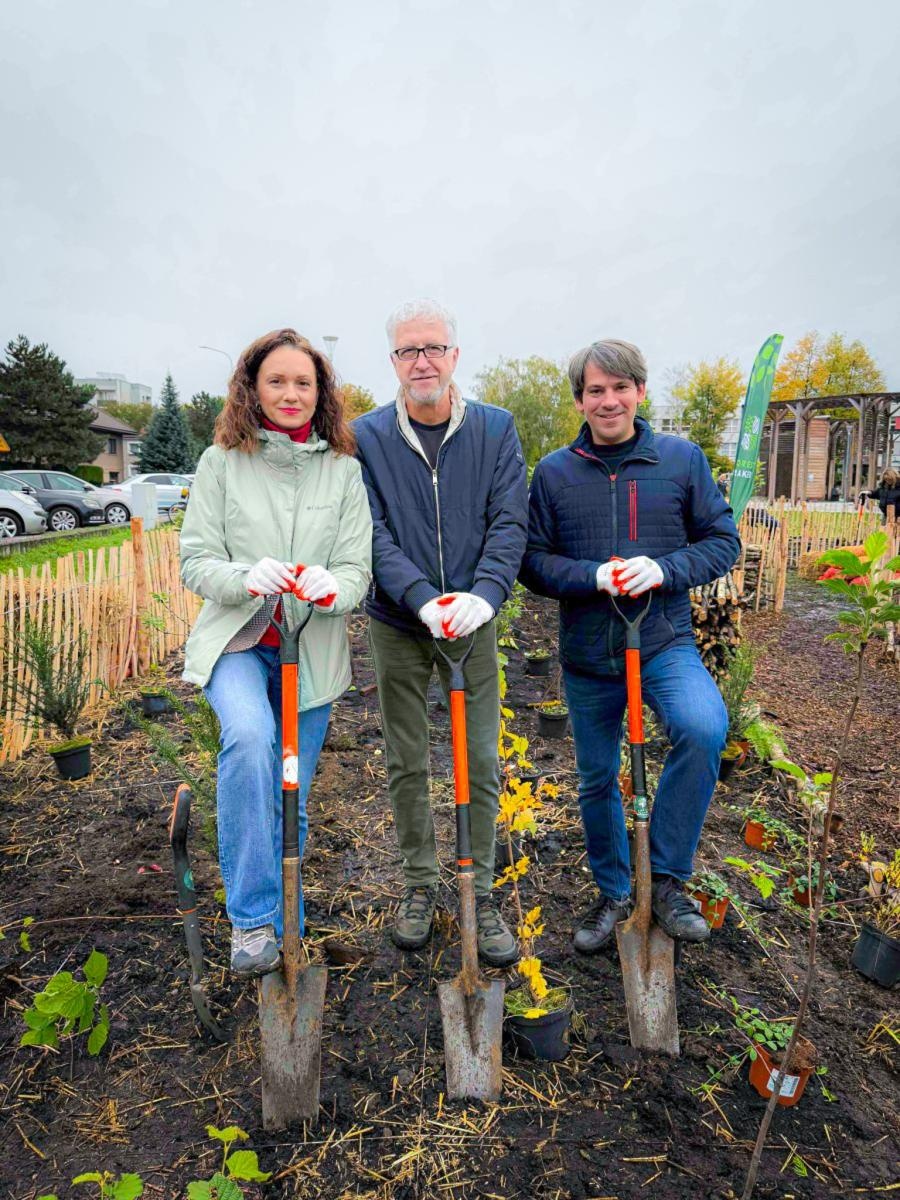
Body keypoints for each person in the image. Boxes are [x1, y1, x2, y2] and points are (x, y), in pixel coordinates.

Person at [520, 338, 740, 953]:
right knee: (596, 776)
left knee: (702, 727)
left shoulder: (680, 460)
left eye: (620, 388)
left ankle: (665, 880)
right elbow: (533, 563)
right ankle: (616, 888)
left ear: (640, 392)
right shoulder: (555, 473)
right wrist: (590, 575)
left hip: (664, 639)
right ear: (580, 401)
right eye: (595, 390)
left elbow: (724, 541)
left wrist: (664, 569)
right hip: (591, 651)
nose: (608, 400)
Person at [180, 329, 372, 976]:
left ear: (320, 394)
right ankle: (254, 923)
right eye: (276, 381)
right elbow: (195, 559)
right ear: (252, 389)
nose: (290, 393)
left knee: (291, 791)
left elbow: (356, 569)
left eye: (303, 383)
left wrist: (333, 587)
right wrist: (243, 577)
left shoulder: (343, 471)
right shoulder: (221, 463)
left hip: (309, 653)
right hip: (240, 641)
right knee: (249, 741)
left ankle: (288, 919)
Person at [354, 299, 528, 966]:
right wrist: (422, 597)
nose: (420, 360)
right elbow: (369, 530)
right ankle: (421, 884)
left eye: (433, 348)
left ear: (455, 355)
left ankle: (478, 893)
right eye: (407, 351)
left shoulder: (494, 429)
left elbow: (509, 519)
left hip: (473, 625)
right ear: (393, 362)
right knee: (406, 758)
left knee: (479, 758)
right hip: (400, 622)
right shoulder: (367, 437)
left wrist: (483, 597)